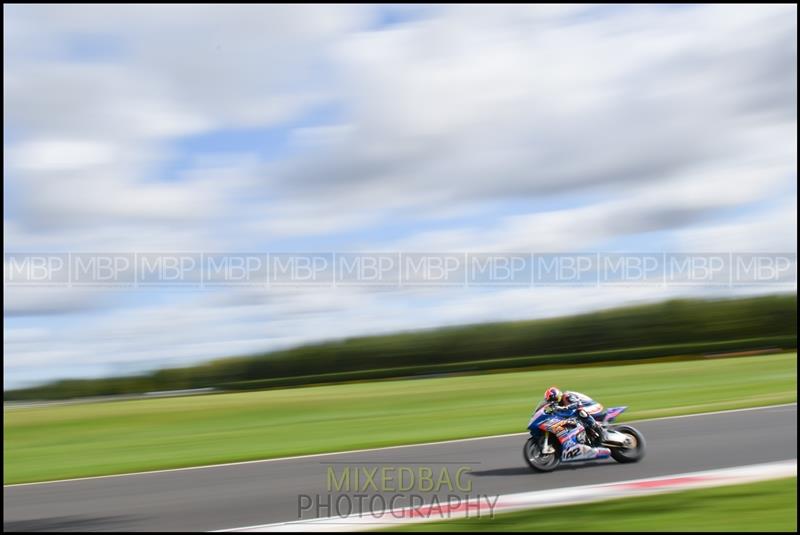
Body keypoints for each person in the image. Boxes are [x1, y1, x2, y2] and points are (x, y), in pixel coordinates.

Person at [542, 386, 608, 445]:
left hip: (594, 406)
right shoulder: (559, 403)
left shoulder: (567, 396)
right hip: (586, 408)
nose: (552, 402)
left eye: (553, 400)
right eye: (550, 401)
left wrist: (565, 408)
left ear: (558, 396)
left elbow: (577, 404)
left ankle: (599, 431)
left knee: (580, 412)